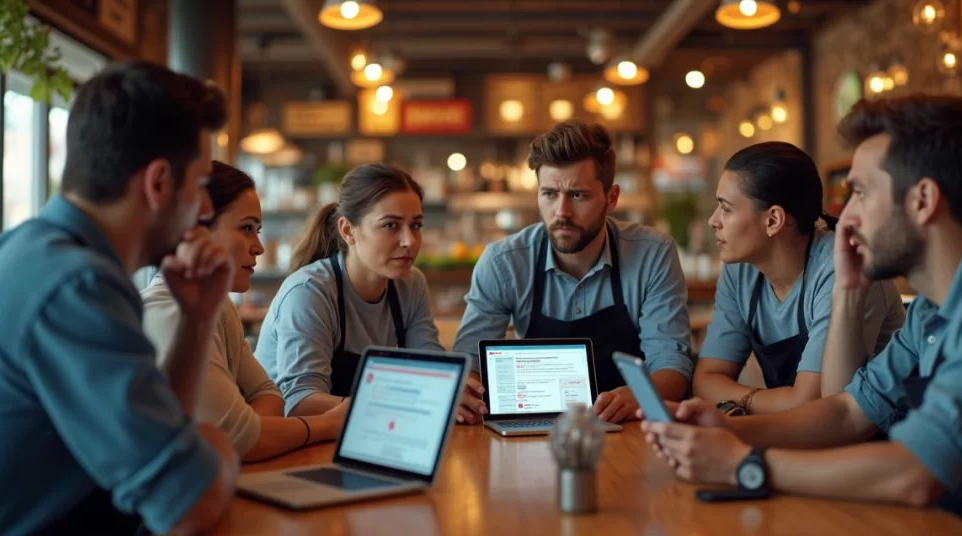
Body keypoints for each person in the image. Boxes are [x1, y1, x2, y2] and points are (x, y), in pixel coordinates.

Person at [639, 94, 962, 536]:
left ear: (923, 199)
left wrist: (744, 463)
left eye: (860, 193)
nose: (844, 217)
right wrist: (728, 427)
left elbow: (917, 471)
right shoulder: (931, 308)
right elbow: (847, 413)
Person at [0, 61, 239, 536]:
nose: (206, 210)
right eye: (203, 185)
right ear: (158, 183)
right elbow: (187, 506)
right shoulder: (76, 287)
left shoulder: (23, 249)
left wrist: (198, 319)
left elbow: (162, 439)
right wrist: (217, 449)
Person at [452, 120, 693, 425]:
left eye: (578, 195)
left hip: (632, 425)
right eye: (549, 194)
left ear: (612, 197)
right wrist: (465, 388)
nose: (561, 212)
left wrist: (639, 395)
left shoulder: (652, 253)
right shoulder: (504, 263)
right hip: (537, 429)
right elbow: (469, 361)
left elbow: (672, 363)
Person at [142, 161, 351, 462]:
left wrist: (250, 431)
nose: (259, 247)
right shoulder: (167, 313)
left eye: (258, 231)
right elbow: (241, 440)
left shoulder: (218, 305)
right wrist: (327, 424)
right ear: (195, 231)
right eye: (246, 229)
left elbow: (268, 395)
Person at [694, 142, 906, 415]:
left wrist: (740, 402)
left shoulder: (843, 268)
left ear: (773, 220)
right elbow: (705, 381)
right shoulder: (740, 271)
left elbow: (817, 404)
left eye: (726, 208)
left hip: (880, 438)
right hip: (806, 436)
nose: (714, 220)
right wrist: (779, 401)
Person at [255, 164, 470, 418]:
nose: (410, 241)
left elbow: (431, 372)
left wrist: (454, 390)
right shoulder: (310, 292)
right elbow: (301, 402)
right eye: (391, 225)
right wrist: (405, 403)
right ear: (348, 231)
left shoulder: (410, 284)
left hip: (358, 434)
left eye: (416, 225)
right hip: (289, 443)